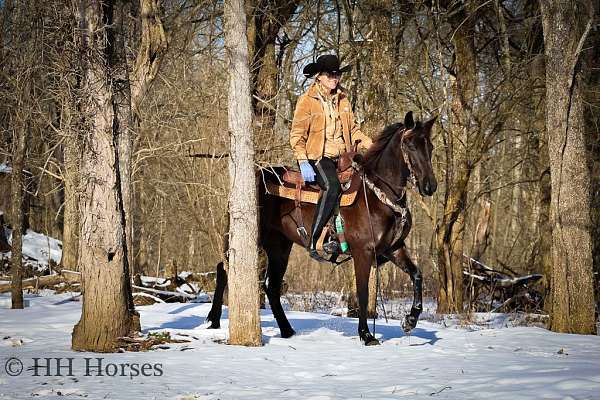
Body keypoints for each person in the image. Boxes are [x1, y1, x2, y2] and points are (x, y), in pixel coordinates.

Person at [289, 54, 372, 260]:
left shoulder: (343, 100)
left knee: (365, 183)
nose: (335, 78)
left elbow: (354, 130)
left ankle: (351, 236)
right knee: (332, 186)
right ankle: (313, 241)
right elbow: (297, 135)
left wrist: (373, 147)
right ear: (319, 76)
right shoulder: (307, 101)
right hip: (318, 157)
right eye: (330, 74)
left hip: (343, 156)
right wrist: (302, 161)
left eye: (337, 74)